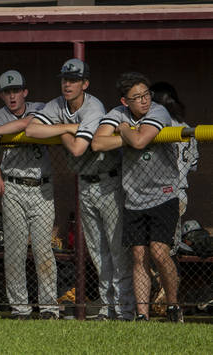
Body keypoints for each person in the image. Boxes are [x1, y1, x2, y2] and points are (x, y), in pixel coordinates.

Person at [24, 58, 132, 320]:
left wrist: (56, 130)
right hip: (85, 183)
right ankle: (107, 310)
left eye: (73, 80)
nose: (67, 84)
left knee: (117, 250)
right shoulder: (57, 104)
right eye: (64, 79)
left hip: (109, 181)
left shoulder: (93, 107)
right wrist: (68, 127)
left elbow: (77, 148)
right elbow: (30, 129)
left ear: (85, 83)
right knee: (96, 251)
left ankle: (125, 309)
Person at [92, 72, 183, 323]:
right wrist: (125, 131)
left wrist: (122, 131)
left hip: (164, 194)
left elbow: (141, 141)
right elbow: (98, 143)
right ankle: (142, 315)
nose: (144, 101)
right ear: (125, 102)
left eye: (146, 95)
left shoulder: (159, 112)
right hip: (133, 196)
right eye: (137, 97)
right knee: (139, 255)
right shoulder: (118, 113)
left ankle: (174, 306)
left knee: (159, 253)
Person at [0, 70, 57, 320]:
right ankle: (21, 308)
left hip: (42, 187)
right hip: (13, 186)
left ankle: (49, 309)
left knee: (43, 250)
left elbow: (28, 124)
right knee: (15, 251)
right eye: (7, 92)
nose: (12, 96)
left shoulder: (40, 107)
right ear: (1, 95)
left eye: (16, 90)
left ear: (25, 92)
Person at [149, 82, 198, 257]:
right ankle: (165, 283)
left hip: (157, 194)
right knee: (169, 249)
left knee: (156, 250)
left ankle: (164, 284)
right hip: (179, 194)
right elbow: (192, 166)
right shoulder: (187, 127)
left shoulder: (155, 126)